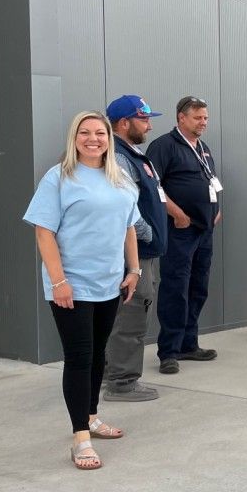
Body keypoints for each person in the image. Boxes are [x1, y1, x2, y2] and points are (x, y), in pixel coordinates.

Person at [23, 111, 140, 470]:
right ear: (74, 138)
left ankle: (90, 416)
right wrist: (58, 281)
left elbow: (129, 227)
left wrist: (133, 269)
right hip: (71, 285)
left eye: (100, 133)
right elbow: (44, 232)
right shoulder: (58, 178)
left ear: (109, 137)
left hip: (109, 284)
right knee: (79, 358)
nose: (93, 139)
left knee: (98, 355)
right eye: (85, 133)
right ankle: (80, 438)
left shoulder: (120, 179)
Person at [147, 96, 222, 375]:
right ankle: (169, 351)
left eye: (205, 118)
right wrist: (177, 213)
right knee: (175, 289)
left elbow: (211, 181)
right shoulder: (164, 146)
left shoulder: (203, 148)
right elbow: (153, 187)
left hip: (205, 229)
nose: (203, 122)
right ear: (181, 118)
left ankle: (189, 344)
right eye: (197, 117)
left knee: (198, 287)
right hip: (180, 230)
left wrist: (216, 209)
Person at [102, 95, 167, 403]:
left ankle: (112, 374)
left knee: (129, 313)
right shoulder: (117, 157)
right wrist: (148, 232)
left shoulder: (134, 153)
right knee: (131, 315)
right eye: (144, 119)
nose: (150, 125)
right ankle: (121, 381)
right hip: (134, 252)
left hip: (144, 250)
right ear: (124, 123)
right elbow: (123, 205)